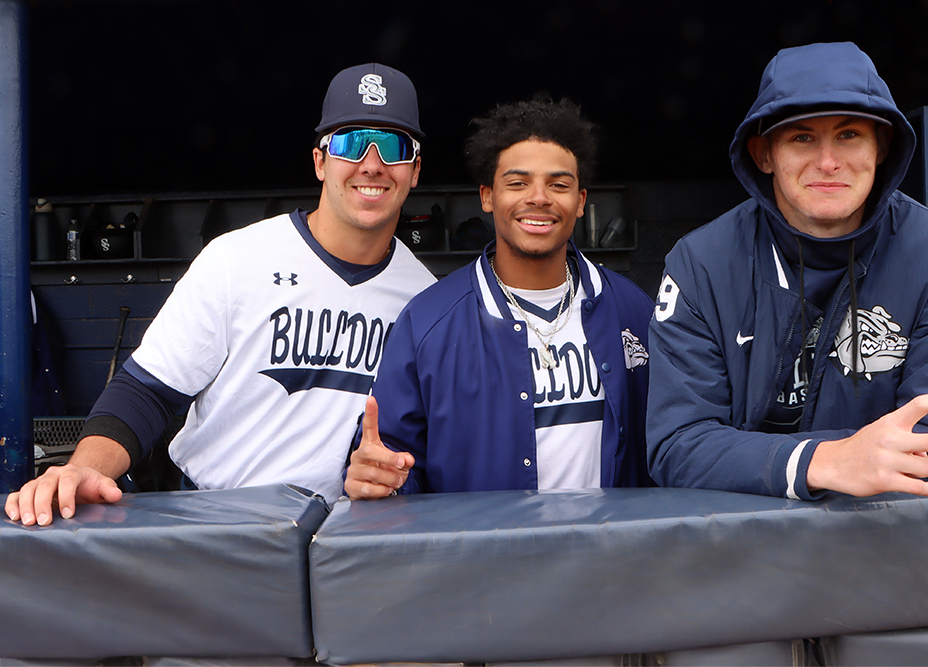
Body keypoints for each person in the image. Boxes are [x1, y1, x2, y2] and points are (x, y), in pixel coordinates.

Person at [7, 63, 436, 525]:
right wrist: (81, 470)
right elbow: (146, 392)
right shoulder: (237, 259)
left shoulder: (428, 300)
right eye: (351, 143)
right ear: (319, 161)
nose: (371, 164)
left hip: (348, 539)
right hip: (221, 525)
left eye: (392, 146)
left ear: (414, 171)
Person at [646, 41, 928, 500]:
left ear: (881, 146)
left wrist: (750, 459)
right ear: (764, 154)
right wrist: (824, 462)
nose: (828, 162)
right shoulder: (701, 261)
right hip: (738, 545)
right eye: (802, 137)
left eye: (849, 135)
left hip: (884, 543)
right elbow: (677, 446)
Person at [344, 97, 653, 498]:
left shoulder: (632, 309)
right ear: (488, 197)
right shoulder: (428, 322)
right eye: (518, 183)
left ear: (580, 202)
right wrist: (381, 480)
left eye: (558, 184)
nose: (539, 198)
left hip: (612, 555)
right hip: (486, 558)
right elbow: (396, 464)